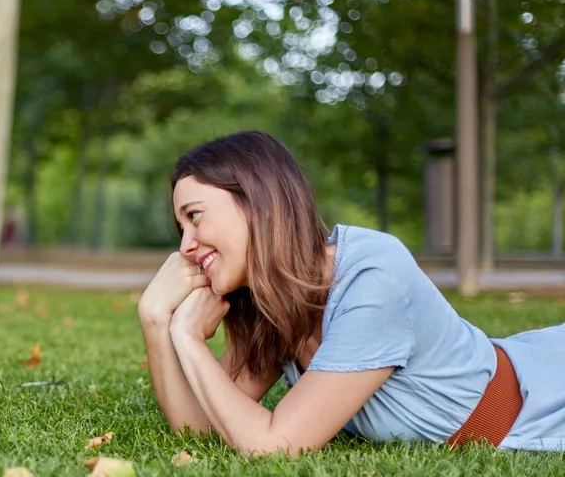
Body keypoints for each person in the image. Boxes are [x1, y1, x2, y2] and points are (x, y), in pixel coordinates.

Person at [138, 130, 565, 456]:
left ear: (257, 203)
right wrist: (156, 321)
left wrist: (189, 340)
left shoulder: (373, 277)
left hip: (545, 400)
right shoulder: (273, 303)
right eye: (181, 227)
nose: (185, 246)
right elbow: (200, 430)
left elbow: (274, 446)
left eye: (195, 216)